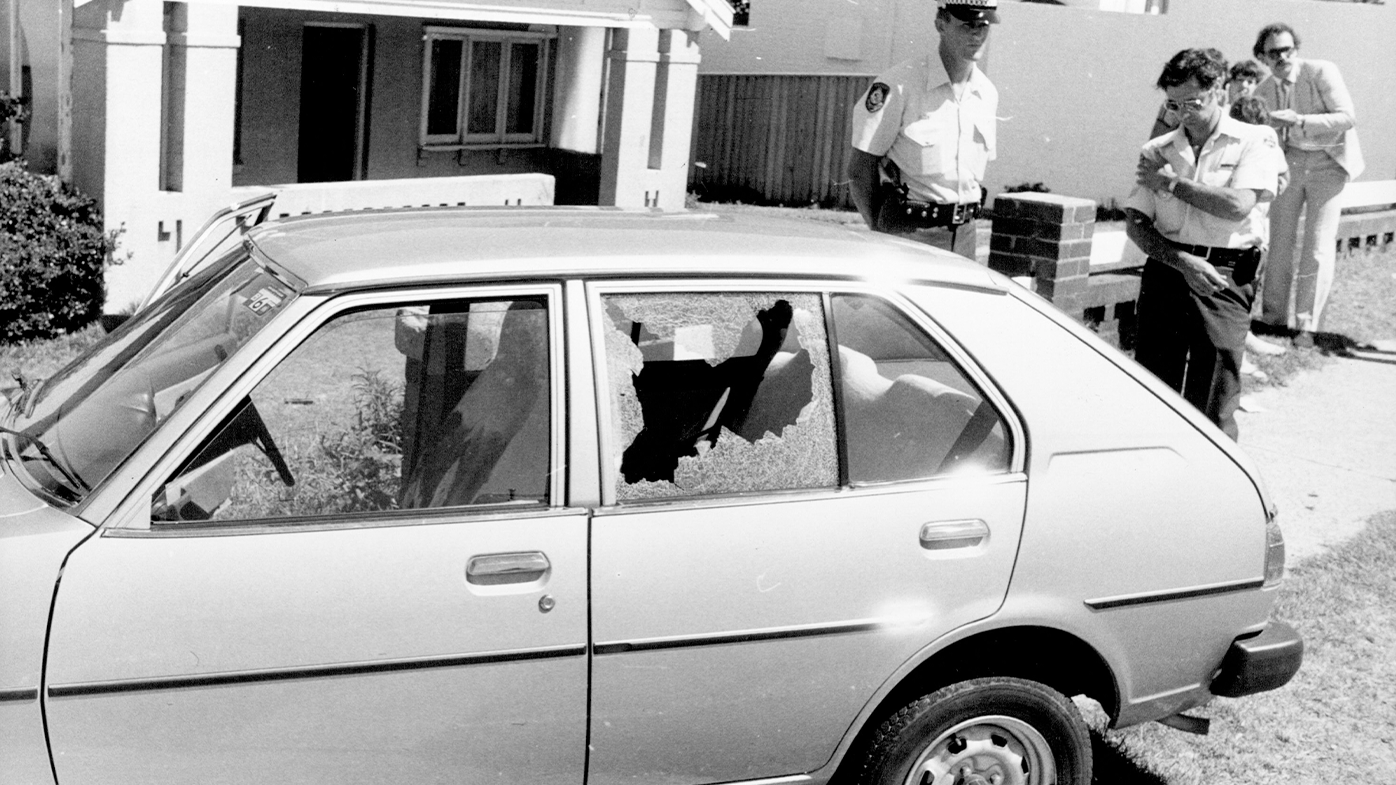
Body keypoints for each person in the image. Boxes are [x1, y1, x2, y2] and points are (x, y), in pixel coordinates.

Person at [1126, 49, 1282, 440]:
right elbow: (1137, 223)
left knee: (1213, 397)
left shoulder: (1254, 139)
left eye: (1193, 103)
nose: (1183, 114)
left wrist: (1172, 184)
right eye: (1173, 104)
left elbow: (1237, 205)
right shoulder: (1158, 149)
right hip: (1168, 271)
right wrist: (1182, 262)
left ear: (1219, 90)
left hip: (1224, 278)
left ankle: (1216, 489)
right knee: (1154, 390)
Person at [847, 0, 1000, 259]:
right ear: (941, 23)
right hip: (910, 232)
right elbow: (860, 169)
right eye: (967, 25)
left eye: (983, 26)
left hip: (965, 235)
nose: (977, 34)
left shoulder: (986, 93)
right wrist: (882, 229)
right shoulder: (900, 85)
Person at [1251, 22, 1364, 345]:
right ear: (1262, 57)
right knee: (1279, 242)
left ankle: (1307, 326)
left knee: (1317, 246)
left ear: (1295, 49)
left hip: (1329, 163)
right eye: (1274, 52)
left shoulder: (1322, 71)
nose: (1283, 57)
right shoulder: (1262, 92)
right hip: (1291, 166)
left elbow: (1347, 117)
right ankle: (1273, 319)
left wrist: (1300, 121)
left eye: (1288, 49)